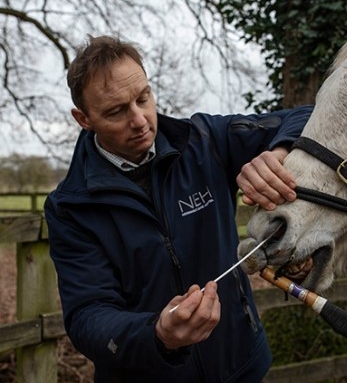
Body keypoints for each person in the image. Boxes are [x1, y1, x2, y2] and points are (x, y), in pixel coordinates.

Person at [45, 35, 313, 382]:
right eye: (116, 111)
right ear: (83, 118)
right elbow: (87, 316)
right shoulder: (71, 206)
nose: (140, 120)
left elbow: (307, 116)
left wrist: (277, 153)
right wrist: (158, 334)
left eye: (143, 98)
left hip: (241, 367)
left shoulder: (203, 140)